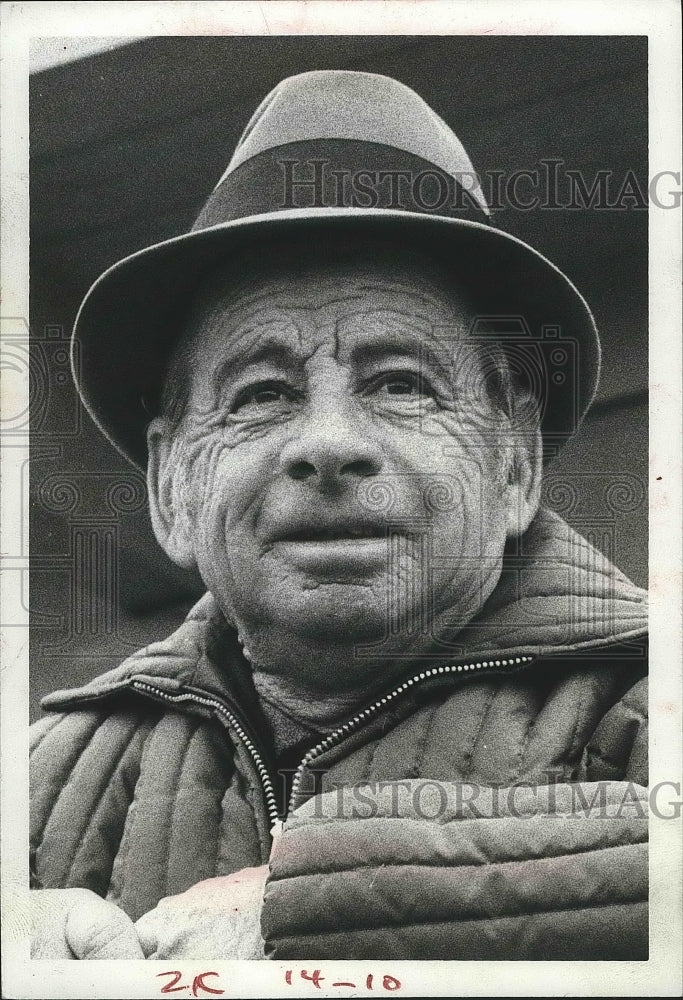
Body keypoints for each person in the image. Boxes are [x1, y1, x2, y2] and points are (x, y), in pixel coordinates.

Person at [29, 71, 648, 961]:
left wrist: (313, 900)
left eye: (401, 384)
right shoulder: (41, 771)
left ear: (513, 460)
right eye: (261, 393)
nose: (325, 444)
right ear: (170, 484)